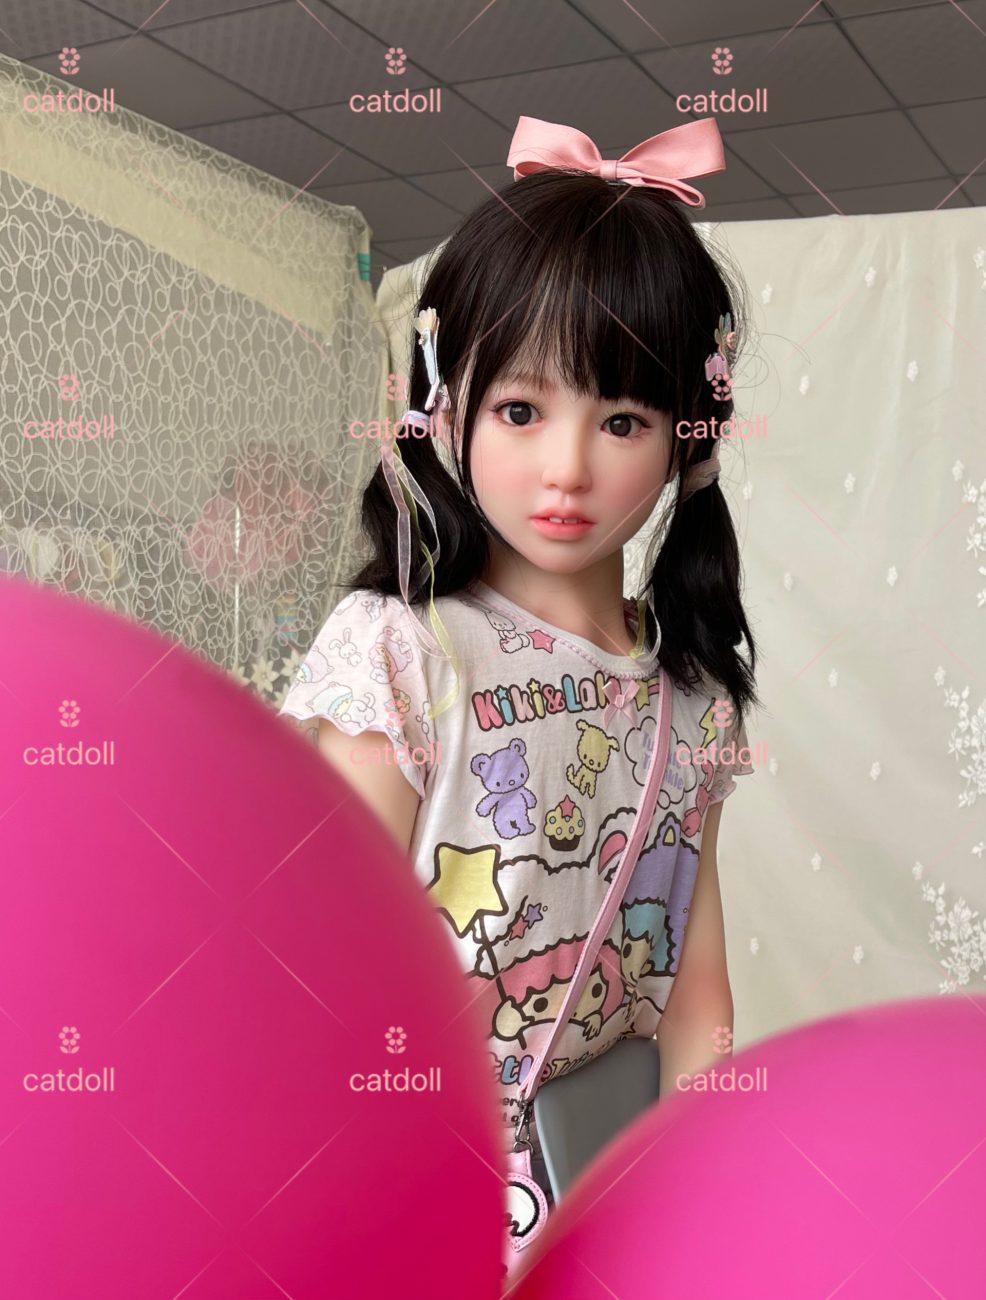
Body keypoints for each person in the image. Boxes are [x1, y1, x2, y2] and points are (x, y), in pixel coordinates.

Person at [278, 114, 761, 1269]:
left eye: (622, 419)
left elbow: (696, 1000)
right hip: (408, 1192)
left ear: (688, 437)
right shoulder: (400, 654)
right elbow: (325, 978)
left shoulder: (693, 696)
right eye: (519, 410)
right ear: (443, 404)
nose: (566, 469)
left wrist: (703, 1207)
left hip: (610, 1201)